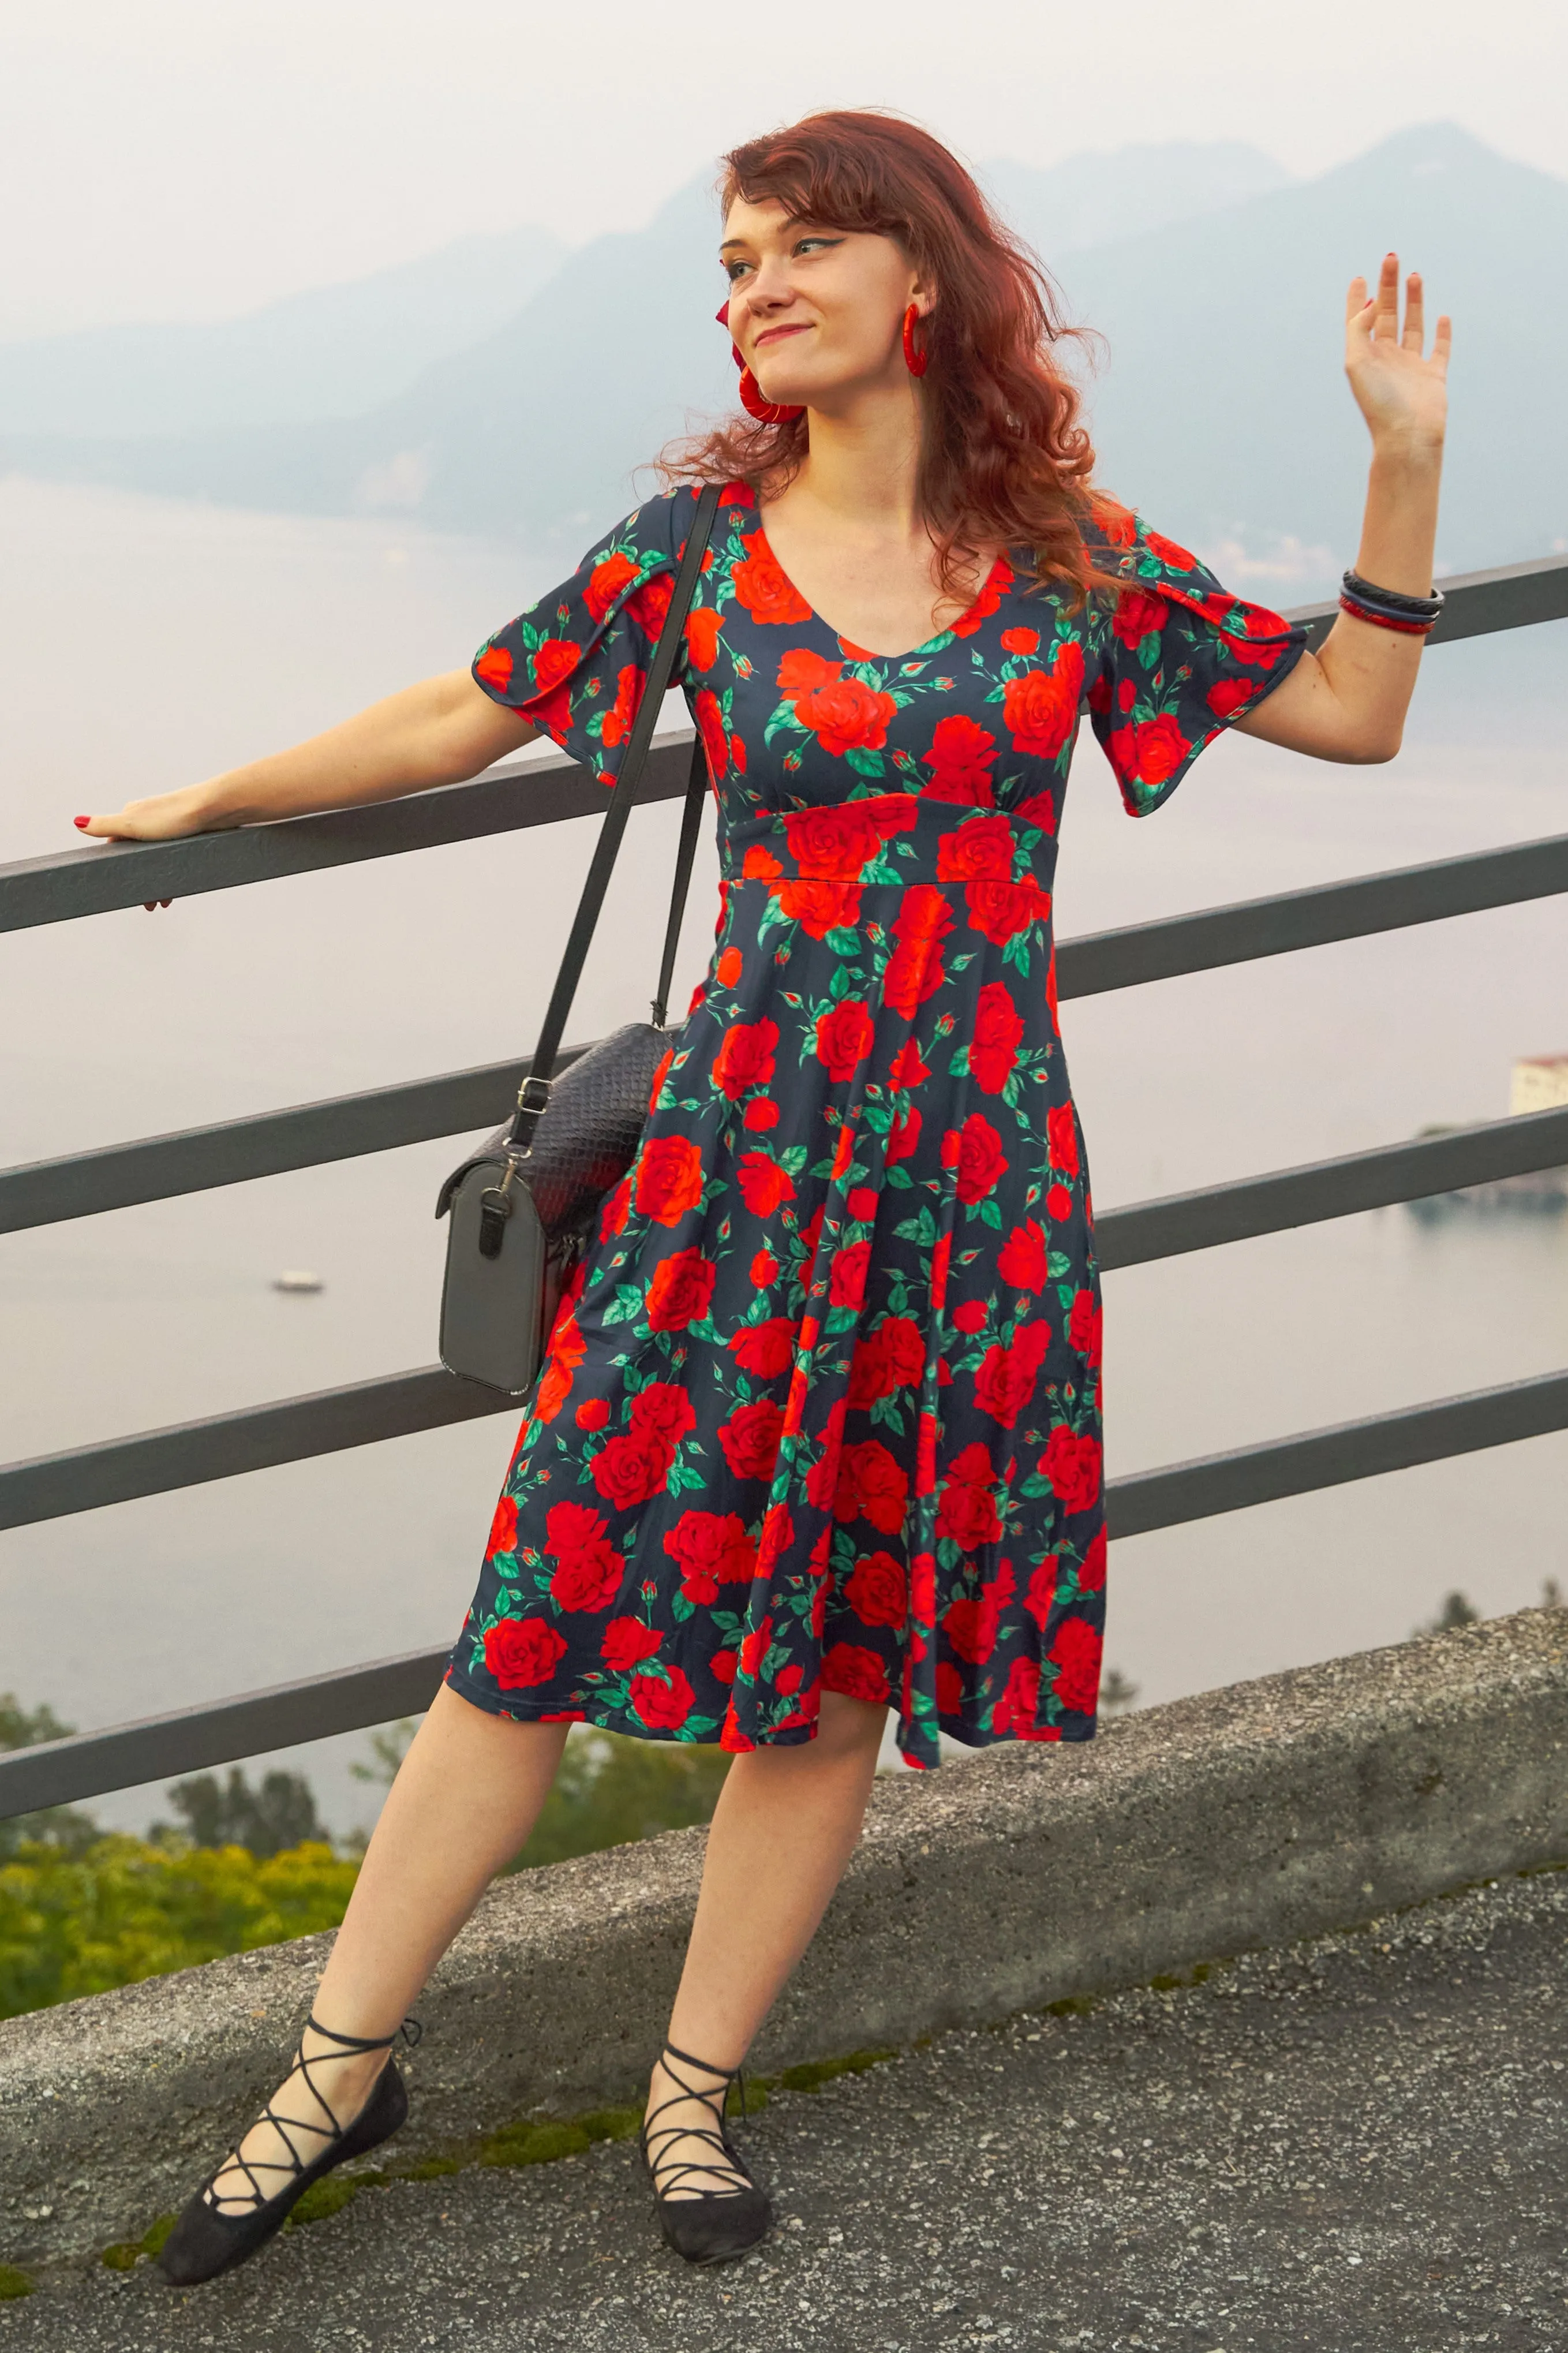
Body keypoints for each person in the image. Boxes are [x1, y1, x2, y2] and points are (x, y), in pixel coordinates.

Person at [76, 110, 1449, 2283]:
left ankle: (691, 2094)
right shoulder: (698, 551)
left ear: (926, 282)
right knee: (526, 1630)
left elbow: (1360, 713)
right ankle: (335, 2069)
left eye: (806, 243)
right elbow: (464, 711)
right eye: (732, 262)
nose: (756, 287)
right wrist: (203, 794)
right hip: (728, 1183)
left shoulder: (1070, 559)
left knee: (824, 1674)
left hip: (968, 1201)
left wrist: (1396, 458)